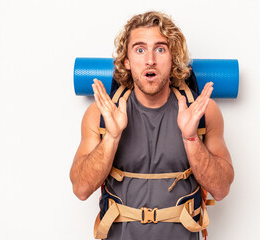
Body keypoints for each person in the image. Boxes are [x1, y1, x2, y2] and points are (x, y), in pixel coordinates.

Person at [70, 11, 234, 240]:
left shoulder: (204, 112)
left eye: (160, 49)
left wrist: (191, 138)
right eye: (139, 49)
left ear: (173, 56)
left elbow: (221, 188)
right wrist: (112, 137)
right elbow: (80, 189)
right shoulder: (99, 114)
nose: (150, 60)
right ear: (126, 61)